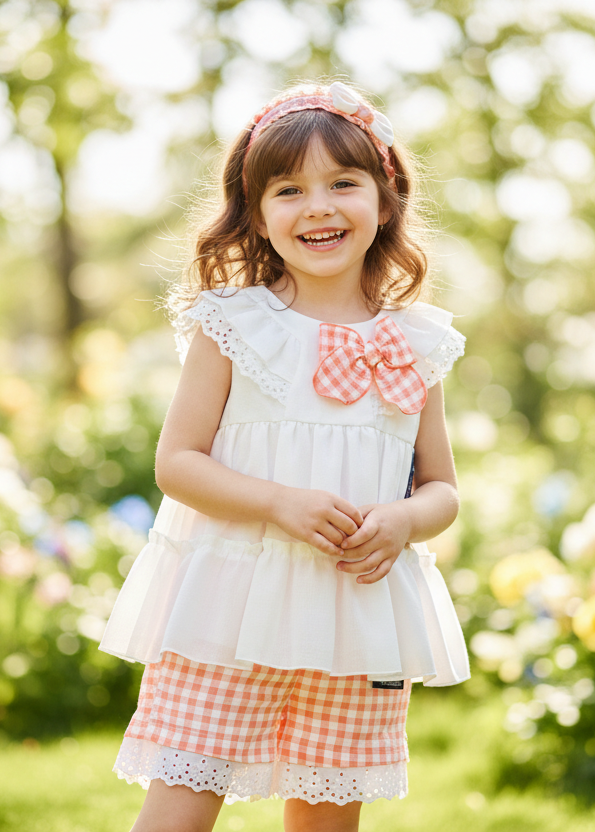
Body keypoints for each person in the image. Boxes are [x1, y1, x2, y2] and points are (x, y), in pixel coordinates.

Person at [99, 80, 470, 832]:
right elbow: (178, 463)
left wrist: (403, 519)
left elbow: (441, 488)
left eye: (343, 183)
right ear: (257, 213)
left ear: (385, 196)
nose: (318, 206)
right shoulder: (235, 324)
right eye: (288, 189)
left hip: (353, 613)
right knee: (179, 805)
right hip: (227, 607)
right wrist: (278, 502)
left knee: (327, 815)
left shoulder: (413, 344)